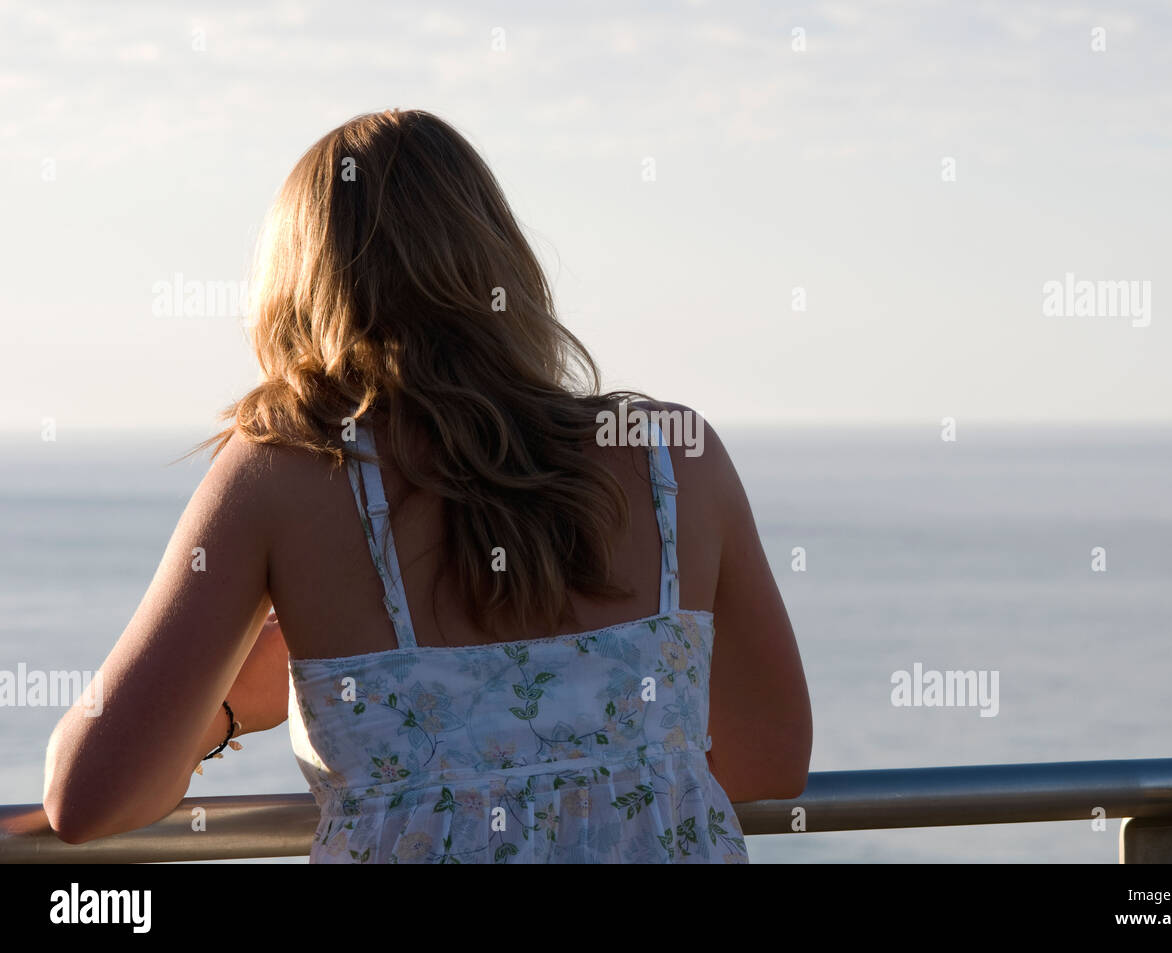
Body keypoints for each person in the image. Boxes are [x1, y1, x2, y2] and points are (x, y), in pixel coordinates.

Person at [42, 109, 812, 863]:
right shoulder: (671, 458)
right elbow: (766, 766)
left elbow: (89, 798)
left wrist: (233, 706)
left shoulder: (284, 469)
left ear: (296, 288)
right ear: (503, 260)